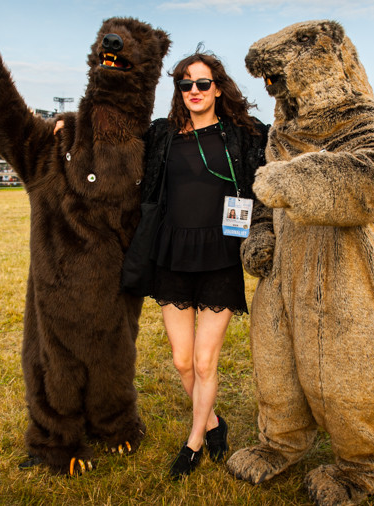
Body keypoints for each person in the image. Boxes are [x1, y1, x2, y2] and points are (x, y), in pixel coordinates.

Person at [136, 49, 269, 479]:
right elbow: (114, 135)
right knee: (181, 360)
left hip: (219, 256)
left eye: (203, 83)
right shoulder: (163, 135)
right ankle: (213, 421)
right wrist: (65, 124)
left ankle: (194, 442)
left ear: (217, 88)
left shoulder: (243, 135)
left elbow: (289, 138)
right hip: (172, 253)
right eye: (185, 83)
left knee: (205, 361)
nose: (194, 90)